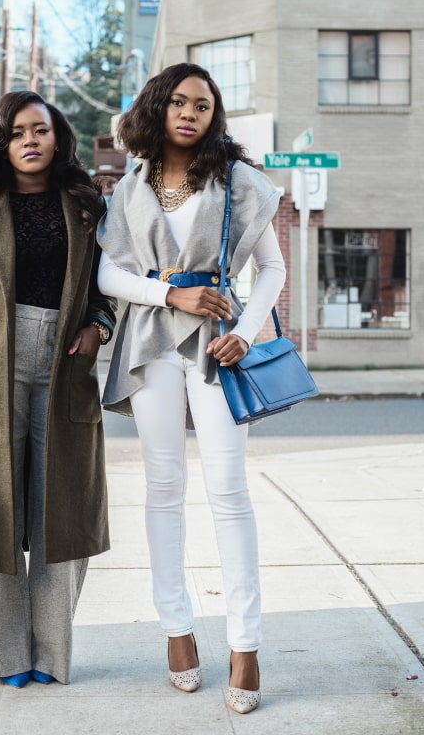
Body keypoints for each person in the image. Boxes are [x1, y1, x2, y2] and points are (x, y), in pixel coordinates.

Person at [96, 63, 286, 713]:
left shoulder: (240, 180)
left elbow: (272, 268)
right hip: (151, 343)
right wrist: (169, 291)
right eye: (178, 101)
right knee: (163, 489)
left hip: (217, 344)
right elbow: (109, 274)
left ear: (214, 115)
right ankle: (176, 630)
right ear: (158, 108)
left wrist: (248, 329)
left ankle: (245, 644)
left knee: (229, 490)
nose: (189, 112)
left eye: (202, 104)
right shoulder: (134, 182)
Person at [0, 90, 116, 688]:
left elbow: (108, 284)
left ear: (57, 137)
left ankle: (51, 656)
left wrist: (99, 325)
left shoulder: (88, 208)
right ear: (2, 144)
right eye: (16, 132)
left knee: (57, 515)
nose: (30, 140)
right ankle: (5, 657)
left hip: (66, 367)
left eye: (39, 129)